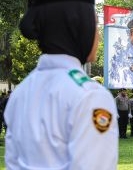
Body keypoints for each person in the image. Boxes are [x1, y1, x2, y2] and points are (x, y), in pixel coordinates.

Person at [4, 0, 119, 169]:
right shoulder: (91, 95)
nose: (99, 36)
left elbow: (12, 163)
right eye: (94, 23)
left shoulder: (21, 92)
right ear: (80, 27)